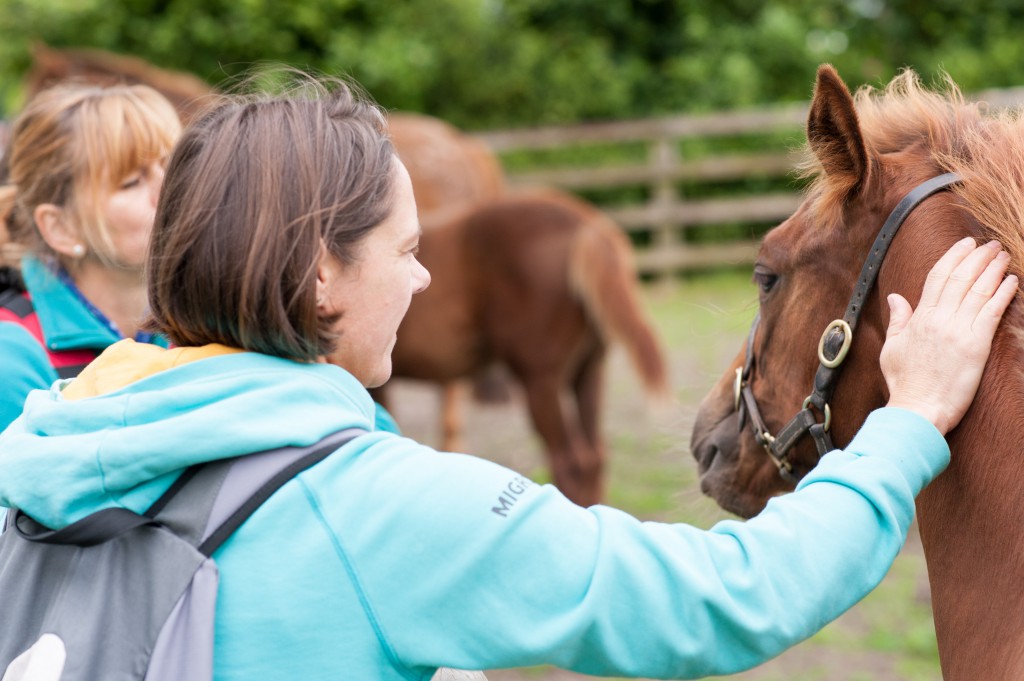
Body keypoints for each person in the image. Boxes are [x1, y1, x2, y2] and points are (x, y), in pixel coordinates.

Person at [0, 75, 1016, 680]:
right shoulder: (376, 510)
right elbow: (718, 599)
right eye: (403, 250)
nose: (426, 274)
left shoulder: (39, 453)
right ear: (320, 276)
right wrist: (911, 419)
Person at [0, 82, 182, 431]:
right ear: (61, 228)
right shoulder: (14, 361)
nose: (168, 188)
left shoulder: (202, 321)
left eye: (170, 165)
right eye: (131, 181)